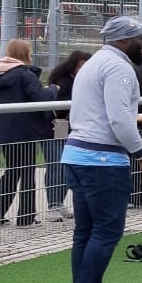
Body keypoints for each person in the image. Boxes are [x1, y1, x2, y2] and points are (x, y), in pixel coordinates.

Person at [62, 16, 142, 283]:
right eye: (139, 39)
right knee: (106, 231)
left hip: (77, 153)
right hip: (101, 160)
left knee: (85, 231)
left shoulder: (93, 63)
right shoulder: (118, 67)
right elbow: (119, 119)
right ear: (124, 40)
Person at [0, 39, 57, 229]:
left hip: (3, 129)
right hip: (25, 129)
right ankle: (26, 217)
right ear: (25, 54)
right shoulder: (25, 74)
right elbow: (41, 98)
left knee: (12, 170)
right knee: (26, 172)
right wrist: (52, 90)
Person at [42, 50, 90, 223]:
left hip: (74, 129)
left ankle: (60, 201)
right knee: (55, 165)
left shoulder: (87, 82)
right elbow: (60, 106)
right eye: (81, 66)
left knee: (68, 166)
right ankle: (53, 204)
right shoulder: (62, 81)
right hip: (55, 127)